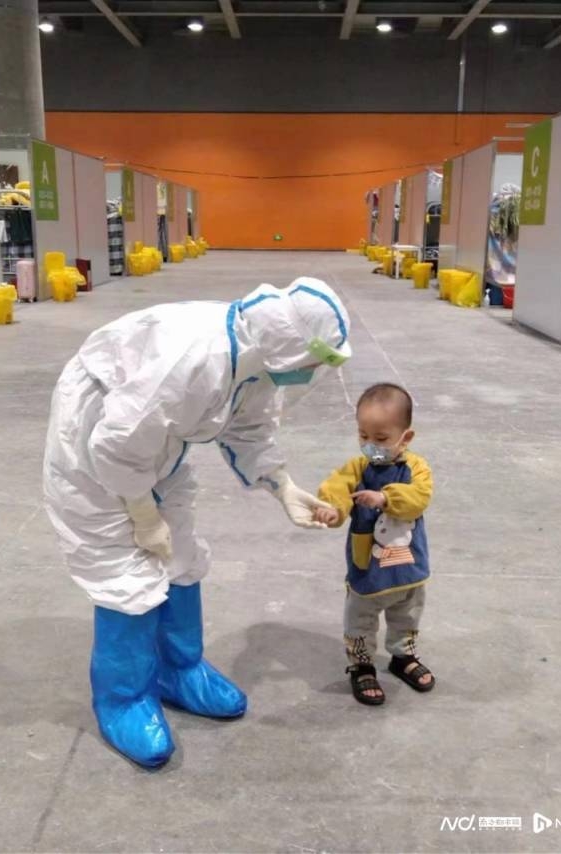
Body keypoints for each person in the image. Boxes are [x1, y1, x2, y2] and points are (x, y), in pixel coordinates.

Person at [43, 278, 351, 767]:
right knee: (122, 564)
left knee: (179, 552)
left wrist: (282, 486)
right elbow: (117, 444)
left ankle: (179, 670)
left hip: (152, 433)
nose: (314, 373)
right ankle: (123, 699)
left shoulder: (258, 358)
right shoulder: (194, 362)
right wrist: (143, 515)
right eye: (318, 361)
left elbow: (249, 427)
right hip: (98, 425)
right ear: (295, 346)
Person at [315, 383, 435, 706]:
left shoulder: (416, 468)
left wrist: (385, 498)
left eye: (381, 438)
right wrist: (333, 509)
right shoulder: (358, 468)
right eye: (363, 435)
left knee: (407, 614)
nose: (371, 445)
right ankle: (362, 664)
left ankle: (403, 656)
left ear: (405, 438)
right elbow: (337, 487)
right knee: (360, 618)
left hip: (408, 565)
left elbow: (419, 497)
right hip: (369, 566)